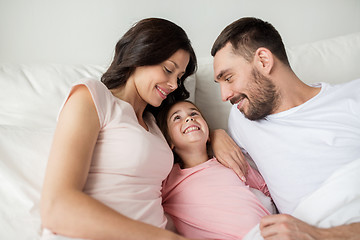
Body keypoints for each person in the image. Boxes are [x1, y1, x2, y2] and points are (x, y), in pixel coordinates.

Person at [40, 18, 199, 240]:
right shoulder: (93, 97)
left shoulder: (155, 124)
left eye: (179, 77)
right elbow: (56, 208)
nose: (174, 84)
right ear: (141, 55)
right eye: (168, 70)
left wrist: (218, 136)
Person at [210, 17, 360, 239]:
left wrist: (319, 235)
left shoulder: (353, 97)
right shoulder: (242, 118)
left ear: (263, 60)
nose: (224, 95)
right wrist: (214, 135)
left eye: (229, 78)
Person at [156, 100, 274, 239]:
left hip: (266, 232)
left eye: (194, 113)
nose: (189, 118)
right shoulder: (167, 178)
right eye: (177, 117)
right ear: (169, 142)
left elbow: (267, 190)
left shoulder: (229, 161)